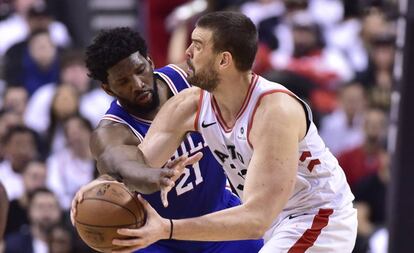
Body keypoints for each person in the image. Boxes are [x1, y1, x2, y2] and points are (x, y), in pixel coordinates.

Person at [104, 12, 357, 253]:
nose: (187, 52)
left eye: (198, 45)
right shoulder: (190, 104)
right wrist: (102, 186)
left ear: (224, 60)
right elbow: (138, 165)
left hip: (317, 216)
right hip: (275, 223)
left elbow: (256, 219)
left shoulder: (275, 111)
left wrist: (167, 229)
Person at [72, 27, 263, 252]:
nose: (137, 84)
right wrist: (159, 176)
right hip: (158, 239)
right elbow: (126, 168)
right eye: (123, 81)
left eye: (139, 70)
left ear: (150, 62)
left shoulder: (189, 79)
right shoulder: (111, 131)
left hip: (219, 217)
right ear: (107, 88)